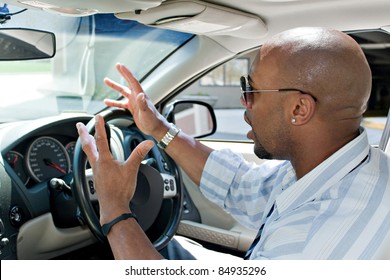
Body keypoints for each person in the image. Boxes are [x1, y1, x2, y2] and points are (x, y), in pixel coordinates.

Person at [76, 27, 390, 260]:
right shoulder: (336, 166)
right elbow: (239, 185)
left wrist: (115, 207)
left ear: (299, 109)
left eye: (251, 90)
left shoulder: (315, 241)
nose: (244, 100)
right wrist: (157, 128)